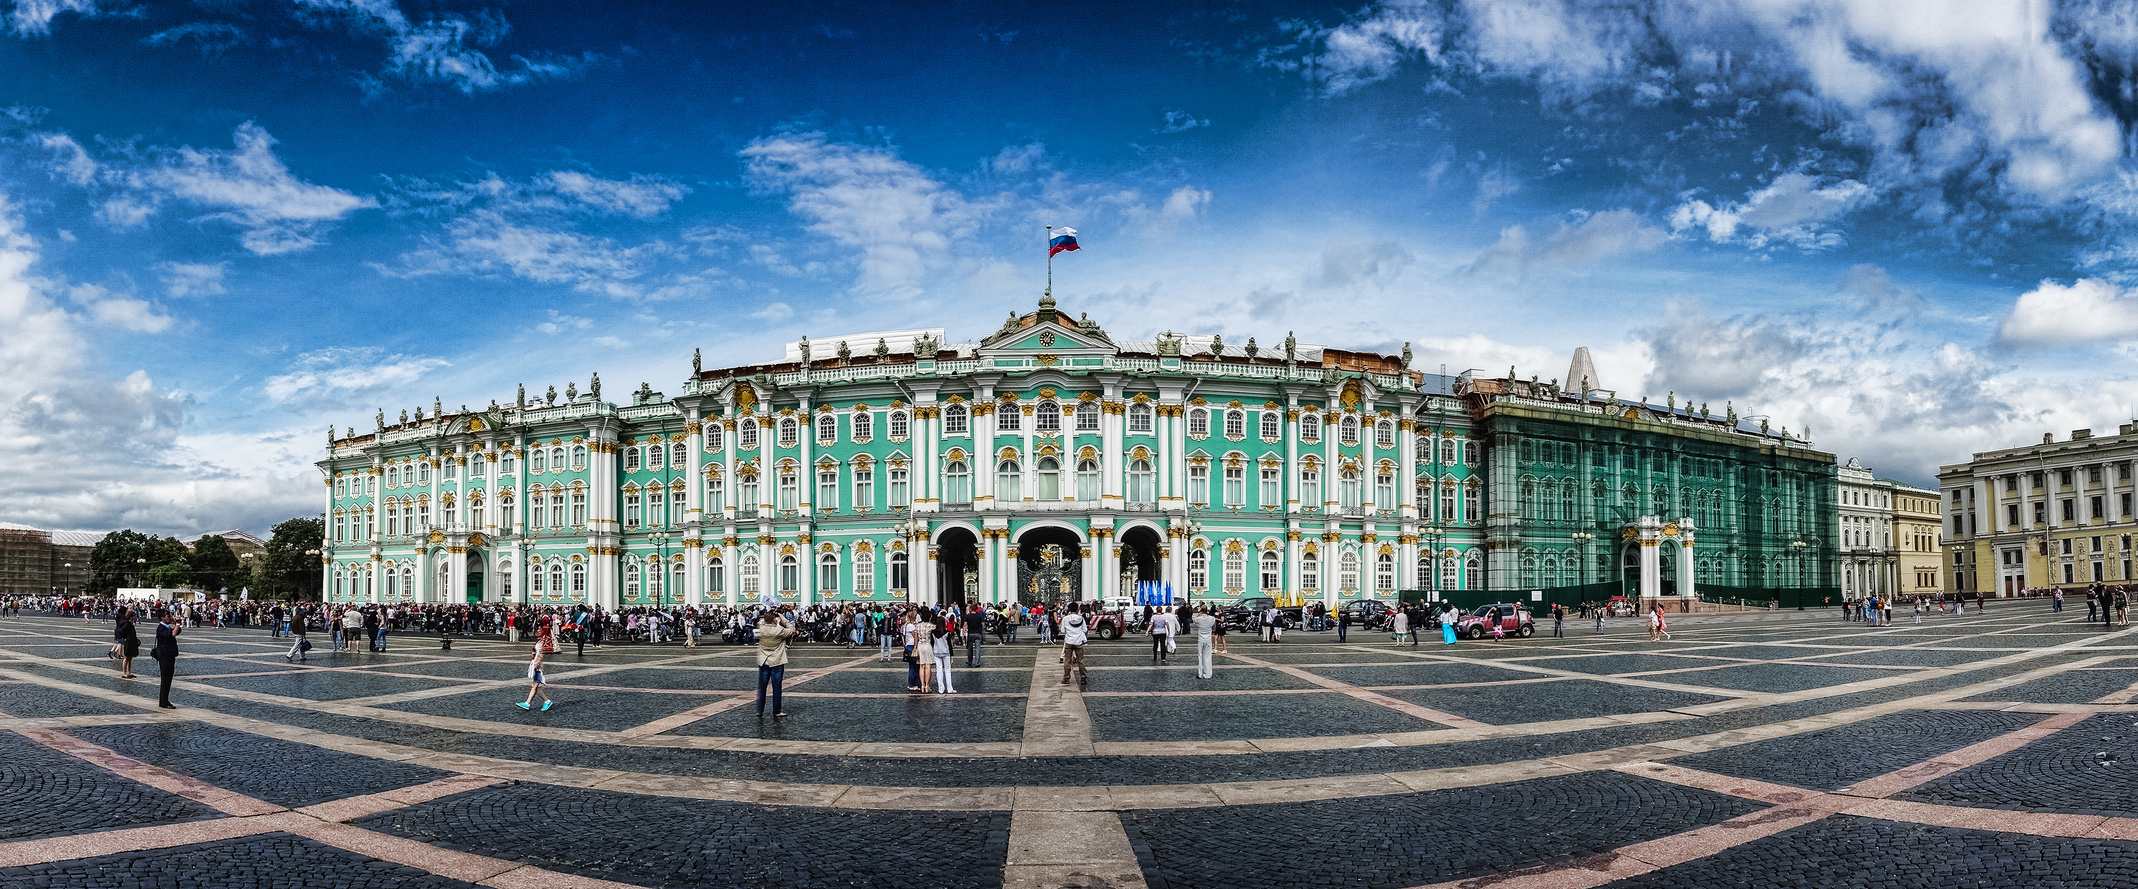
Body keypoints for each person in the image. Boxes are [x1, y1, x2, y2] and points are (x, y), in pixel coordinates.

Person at [756, 610, 793, 717]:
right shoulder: (779, 630)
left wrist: (769, 616)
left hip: (763, 661)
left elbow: (762, 622)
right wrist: (783, 618)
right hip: (776, 661)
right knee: (776, 687)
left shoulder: (761, 628)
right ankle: (776, 711)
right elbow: (791, 629)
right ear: (774, 620)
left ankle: (760, 709)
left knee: (762, 687)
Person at [150, 607, 181, 709]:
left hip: (170, 655)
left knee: (168, 679)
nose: (170, 617)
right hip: (164, 656)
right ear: (163, 618)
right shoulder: (161, 628)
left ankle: (165, 700)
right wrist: (177, 624)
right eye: (168, 616)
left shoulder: (166, 627)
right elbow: (172, 635)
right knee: (165, 679)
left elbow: (177, 631)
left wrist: (176, 625)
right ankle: (163, 702)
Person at [519, 635, 553, 711]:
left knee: (534, 686)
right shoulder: (541, 640)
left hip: (537, 667)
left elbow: (541, 654)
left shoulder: (544, 641)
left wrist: (537, 663)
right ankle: (546, 701)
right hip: (536, 665)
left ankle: (528, 703)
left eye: (539, 628)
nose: (538, 630)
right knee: (535, 687)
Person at [1061, 605, 1089, 686]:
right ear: (1077, 609)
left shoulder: (1065, 619)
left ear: (1069, 609)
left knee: (1067, 661)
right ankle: (1083, 677)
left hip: (1069, 642)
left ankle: (1066, 678)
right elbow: (1085, 630)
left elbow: (1062, 630)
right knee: (1080, 661)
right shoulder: (1081, 618)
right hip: (1078, 642)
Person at [114, 606, 140, 679]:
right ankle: (124, 672)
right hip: (128, 642)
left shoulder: (130, 624)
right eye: (134, 616)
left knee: (130, 657)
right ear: (131, 617)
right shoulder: (126, 624)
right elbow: (121, 631)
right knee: (126, 657)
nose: (135, 617)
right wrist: (126, 638)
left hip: (132, 641)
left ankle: (129, 672)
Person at [932, 620, 957, 694]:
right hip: (946, 652)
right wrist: (952, 655)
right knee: (947, 670)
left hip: (936, 652)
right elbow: (950, 645)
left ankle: (941, 689)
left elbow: (932, 643)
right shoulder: (947, 633)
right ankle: (949, 688)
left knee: (939, 670)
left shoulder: (933, 633)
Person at [1192, 606, 1217, 680]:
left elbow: (1194, 620)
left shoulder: (1198, 619)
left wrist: (1199, 615)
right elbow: (1213, 624)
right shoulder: (1211, 618)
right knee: (1208, 656)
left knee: (1200, 656)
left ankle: (1200, 674)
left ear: (1201, 611)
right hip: (1208, 639)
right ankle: (1208, 674)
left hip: (1201, 638)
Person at [966, 603, 987, 667]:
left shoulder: (968, 616)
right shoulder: (979, 616)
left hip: (971, 633)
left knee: (970, 648)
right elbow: (983, 624)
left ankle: (970, 661)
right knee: (978, 649)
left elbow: (965, 625)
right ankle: (977, 662)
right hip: (978, 633)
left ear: (971, 609)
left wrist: (964, 632)